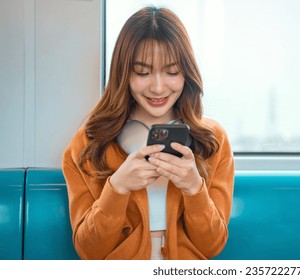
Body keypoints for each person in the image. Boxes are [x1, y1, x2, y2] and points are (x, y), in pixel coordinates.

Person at [62, 6, 234, 260]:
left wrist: (193, 188)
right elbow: (89, 251)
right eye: (142, 72)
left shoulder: (213, 140)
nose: (157, 87)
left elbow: (212, 246)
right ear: (124, 73)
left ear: (186, 73)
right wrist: (117, 188)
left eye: (172, 72)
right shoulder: (88, 144)